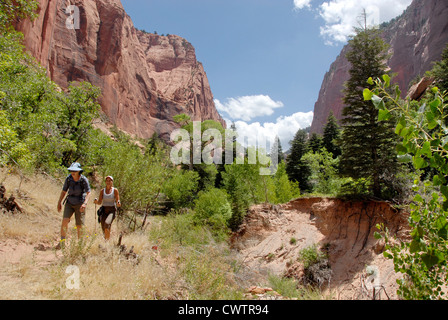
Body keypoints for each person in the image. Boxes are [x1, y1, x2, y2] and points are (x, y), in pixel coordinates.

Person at [57, 162, 91, 248]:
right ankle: (62, 242)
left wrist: (85, 203)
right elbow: (64, 191)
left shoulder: (83, 180)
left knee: (79, 224)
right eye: (72, 170)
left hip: (80, 203)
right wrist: (59, 202)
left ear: (79, 171)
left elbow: (88, 192)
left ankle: (80, 244)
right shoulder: (68, 179)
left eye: (75, 171)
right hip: (69, 202)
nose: (73, 172)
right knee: (65, 220)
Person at [94, 175, 121, 240]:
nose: (108, 182)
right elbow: (100, 202)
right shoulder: (102, 191)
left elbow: (118, 200)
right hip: (104, 210)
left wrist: (118, 203)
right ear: (105, 182)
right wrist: (96, 201)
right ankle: (106, 240)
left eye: (110, 181)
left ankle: (107, 242)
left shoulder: (115, 190)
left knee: (107, 224)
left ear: (112, 182)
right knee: (103, 227)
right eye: (107, 180)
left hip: (111, 210)